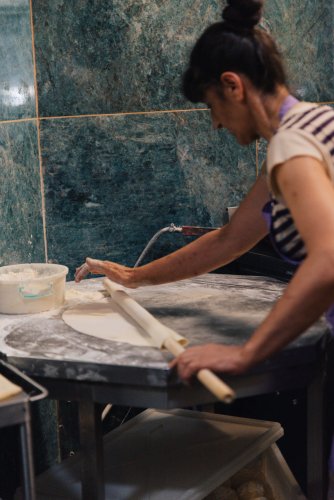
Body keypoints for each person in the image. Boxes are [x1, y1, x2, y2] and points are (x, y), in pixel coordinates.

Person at [75, 0, 334, 384]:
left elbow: (329, 258)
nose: (215, 123)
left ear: (233, 85)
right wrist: (133, 276)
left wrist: (246, 354)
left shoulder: (291, 147)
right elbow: (230, 239)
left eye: (212, 106)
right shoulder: (317, 122)